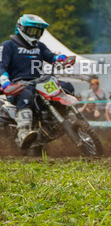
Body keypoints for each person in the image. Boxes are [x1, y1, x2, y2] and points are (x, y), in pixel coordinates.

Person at [0, 14, 76, 148]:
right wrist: (5, 81)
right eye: (32, 31)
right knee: (26, 94)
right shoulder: (8, 46)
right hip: (18, 85)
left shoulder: (39, 46)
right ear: (21, 29)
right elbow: (1, 65)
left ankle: (63, 117)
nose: (35, 35)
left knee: (66, 86)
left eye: (38, 32)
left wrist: (60, 58)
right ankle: (24, 132)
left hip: (38, 81)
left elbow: (51, 56)